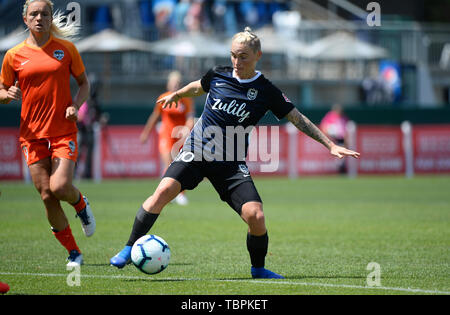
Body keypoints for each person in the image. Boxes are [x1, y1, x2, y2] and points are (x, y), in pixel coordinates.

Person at [110, 27, 360, 278]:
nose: (236, 62)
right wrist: (177, 93)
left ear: (257, 55)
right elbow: (198, 87)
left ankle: (258, 269)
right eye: (233, 55)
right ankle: (129, 248)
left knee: (256, 215)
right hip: (197, 152)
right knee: (163, 191)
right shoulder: (218, 75)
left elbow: (297, 118)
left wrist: (330, 144)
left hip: (230, 163)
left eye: (243, 56)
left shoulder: (266, 91)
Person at [0, 0, 95, 267]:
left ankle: (80, 205)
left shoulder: (66, 50)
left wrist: (76, 106)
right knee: (46, 195)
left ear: (51, 18)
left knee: (59, 186)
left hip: (63, 131)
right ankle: (74, 253)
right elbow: (2, 90)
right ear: (25, 19)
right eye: (34, 14)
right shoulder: (13, 55)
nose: (39, 17)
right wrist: (7, 95)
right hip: (31, 135)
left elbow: (84, 83)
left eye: (45, 13)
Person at [140, 71, 195, 205]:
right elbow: (155, 117)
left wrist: (187, 130)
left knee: (181, 166)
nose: (175, 86)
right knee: (169, 164)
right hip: (166, 136)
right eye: (173, 83)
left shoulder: (186, 99)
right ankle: (164, 193)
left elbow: (190, 118)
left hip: (180, 138)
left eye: (178, 83)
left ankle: (180, 193)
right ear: (168, 84)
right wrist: (146, 132)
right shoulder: (163, 98)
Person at [320, 104, 349, 174]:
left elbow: (346, 131)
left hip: (341, 140)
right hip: (332, 140)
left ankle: (341, 169)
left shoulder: (344, 117)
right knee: (338, 157)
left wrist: (346, 141)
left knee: (341, 157)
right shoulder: (329, 116)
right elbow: (323, 127)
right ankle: (339, 168)